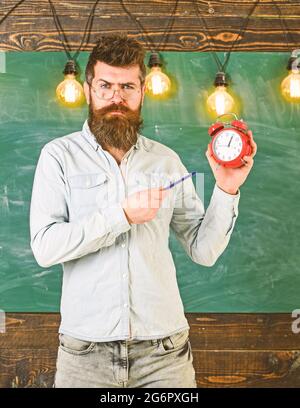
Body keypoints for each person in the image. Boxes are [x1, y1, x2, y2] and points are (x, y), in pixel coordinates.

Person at [29, 33, 257, 388]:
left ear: (142, 91)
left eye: (127, 87)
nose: (116, 98)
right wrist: (121, 216)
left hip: (164, 356)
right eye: (105, 86)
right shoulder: (58, 157)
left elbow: (204, 250)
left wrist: (227, 189)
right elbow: (45, 247)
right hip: (84, 356)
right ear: (88, 89)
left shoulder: (166, 161)